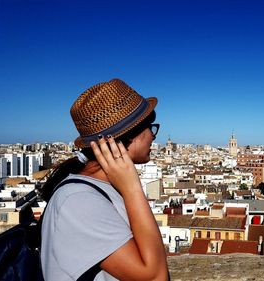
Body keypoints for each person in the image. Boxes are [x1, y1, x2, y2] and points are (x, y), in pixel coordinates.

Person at [40, 78, 169, 280]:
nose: (153, 136)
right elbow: (155, 277)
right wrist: (132, 188)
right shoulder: (78, 201)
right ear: (129, 136)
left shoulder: (101, 189)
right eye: (149, 127)